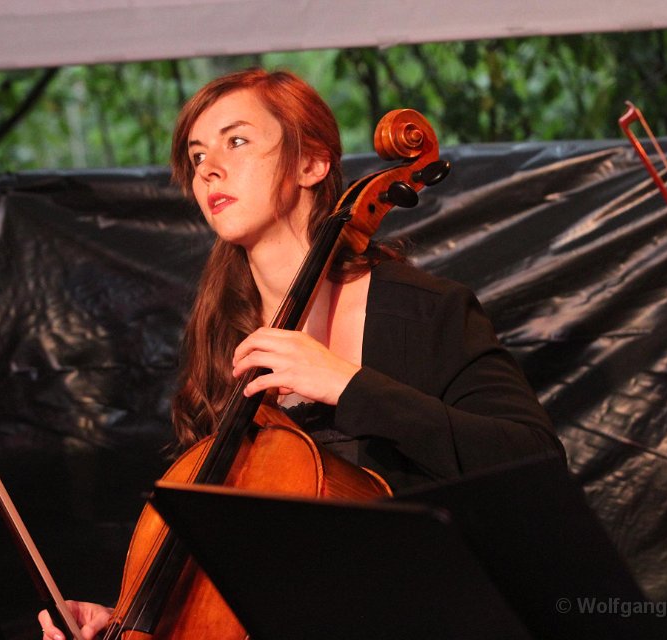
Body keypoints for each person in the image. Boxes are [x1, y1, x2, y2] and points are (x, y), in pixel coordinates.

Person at [39, 68, 565, 639]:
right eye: (197, 156)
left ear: (311, 164)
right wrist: (126, 622)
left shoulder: (422, 311)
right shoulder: (221, 337)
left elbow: (533, 461)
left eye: (237, 141)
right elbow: (224, 571)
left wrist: (349, 385)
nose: (208, 168)